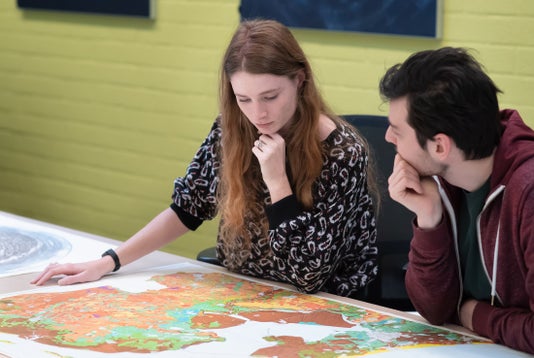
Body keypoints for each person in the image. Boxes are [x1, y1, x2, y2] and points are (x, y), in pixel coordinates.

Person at [32, 19, 379, 298]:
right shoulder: (232, 130)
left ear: (300, 80)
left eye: (270, 96)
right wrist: (109, 261)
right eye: (243, 99)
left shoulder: (342, 152)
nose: (258, 114)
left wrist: (277, 183)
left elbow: (308, 276)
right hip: (244, 292)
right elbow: (187, 209)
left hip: (326, 303)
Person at [379, 47, 534, 354]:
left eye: (397, 131)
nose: (387, 138)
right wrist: (429, 218)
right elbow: (433, 310)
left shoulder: (528, 190)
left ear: (439, 146)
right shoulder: (442, 182)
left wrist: (472, 314)